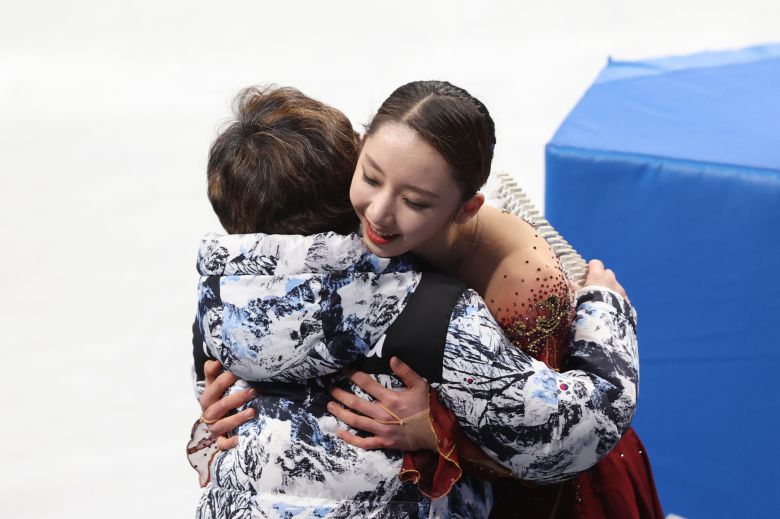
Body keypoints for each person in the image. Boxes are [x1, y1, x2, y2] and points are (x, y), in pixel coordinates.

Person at [191, 85, 639, 518]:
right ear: (357, 156)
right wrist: (605, 311)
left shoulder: (214, 307)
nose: (380, 213)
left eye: (415, 201)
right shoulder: (431, 307)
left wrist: (220, 421)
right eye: (370, 177)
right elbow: (574, 428)